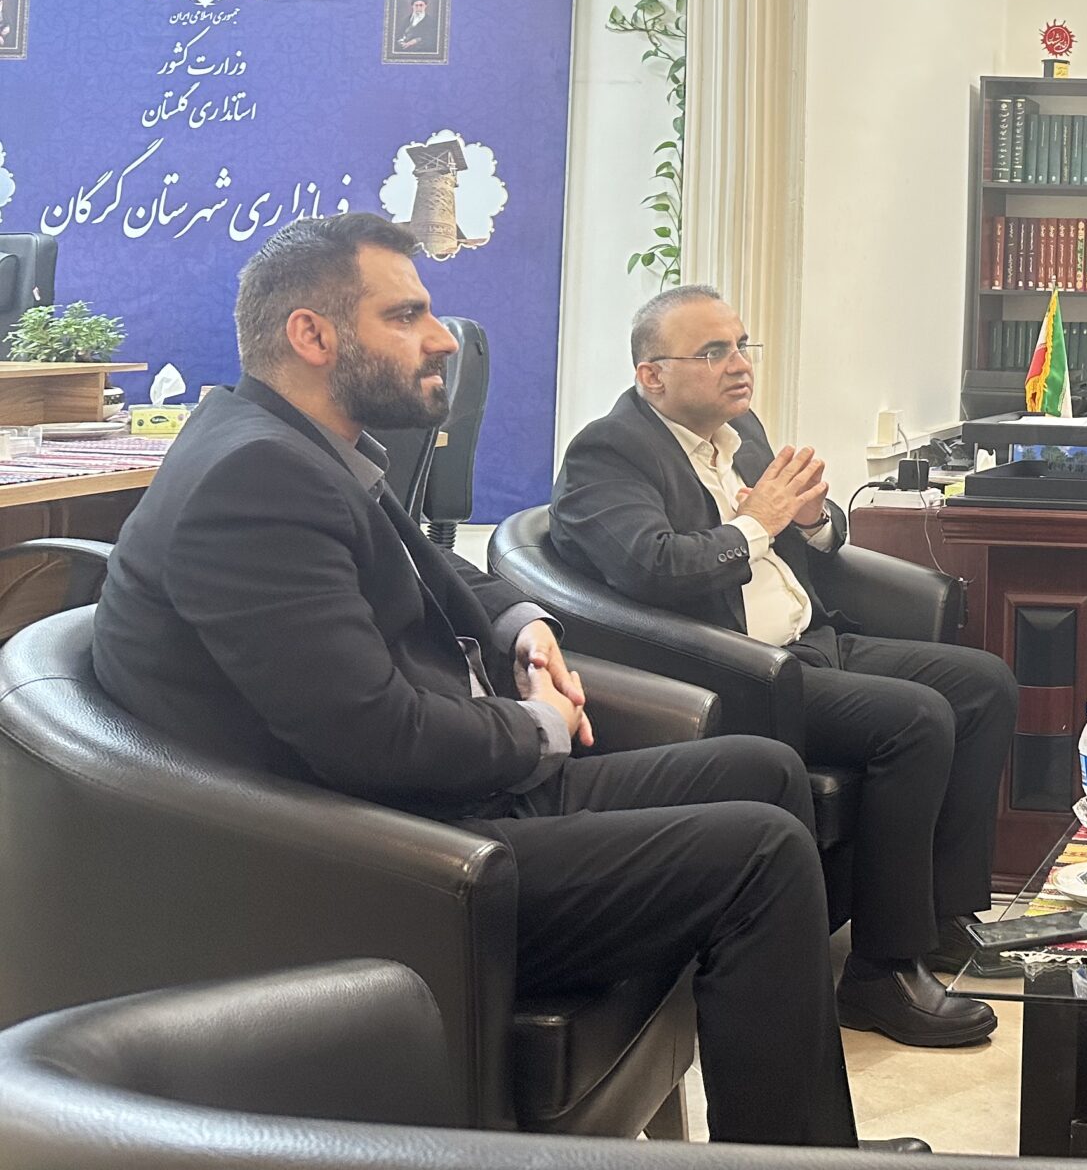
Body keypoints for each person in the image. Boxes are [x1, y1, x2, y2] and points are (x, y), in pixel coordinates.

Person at [90, 216, 905, 1150]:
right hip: (381, 860)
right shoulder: (253, 482)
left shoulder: (300, 444)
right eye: (406, 315)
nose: (443, 339)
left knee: (762, 768)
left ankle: (794, 1136)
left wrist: (525, 626)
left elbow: (435, 567)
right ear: (311, 335)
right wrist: (538, 726)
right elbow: (377, 739)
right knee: (759, 854)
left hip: (437, 804)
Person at [551, 286, 1020, 1048]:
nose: (740, 365)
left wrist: (812, 520)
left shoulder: (740, 430)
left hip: (809, 641)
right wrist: (756, 522)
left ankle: (941, 919)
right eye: (714, 352)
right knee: (915, 720)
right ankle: (881, 973)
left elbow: (811, 537)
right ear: (652, 376)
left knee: (984, 685)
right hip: (734, 671)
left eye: (742, 346)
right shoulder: (608, 454)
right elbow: (652, 567)